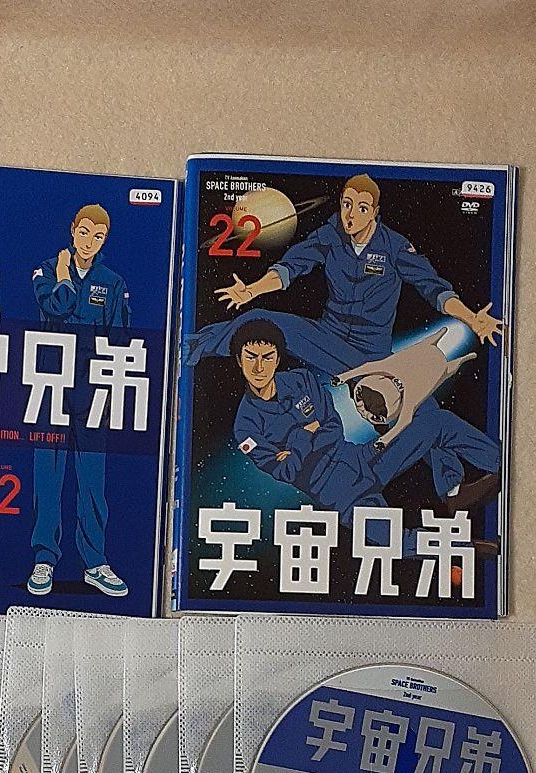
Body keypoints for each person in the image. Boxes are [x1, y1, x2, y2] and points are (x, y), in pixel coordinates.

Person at [193, 173, 503, 504]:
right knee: (262, 319)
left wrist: (471, 318)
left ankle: (465, 482)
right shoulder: (329, 235)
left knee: (426, 416)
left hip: (371, 355)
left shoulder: (395, 247)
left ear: (375, 212)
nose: (350, 214)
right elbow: (292, 266)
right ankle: (192, 349)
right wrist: (252, 290)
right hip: (327, 339)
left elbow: (434, 288)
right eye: (346, 204)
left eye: (361, 207)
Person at [231, 319, 500, 550]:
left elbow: (331, 427)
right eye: (251, 357)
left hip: (364, 458)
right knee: (391, 541)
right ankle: (464, 549)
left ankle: (500, 466)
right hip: (341, 495)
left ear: (278, 358)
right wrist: (305, 433)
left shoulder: (301, 379)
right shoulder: (245, 426)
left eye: (267, 357)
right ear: (239, 360)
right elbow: (286, 471)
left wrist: (297, 448)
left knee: (437, 422)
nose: (259, 367)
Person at [27, 203, 130, 598]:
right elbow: (57, 305)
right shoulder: (45, 270)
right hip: (51, 383)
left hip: (93, 388)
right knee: (47, 476)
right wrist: (62, 272)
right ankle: (44, 559)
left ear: (105, 240)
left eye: (98, 236)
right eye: (84, 232)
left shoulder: (112, 281)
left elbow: (119, 336)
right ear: (72, 230)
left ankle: (95, 562)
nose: (89, 241)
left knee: (92, 479)